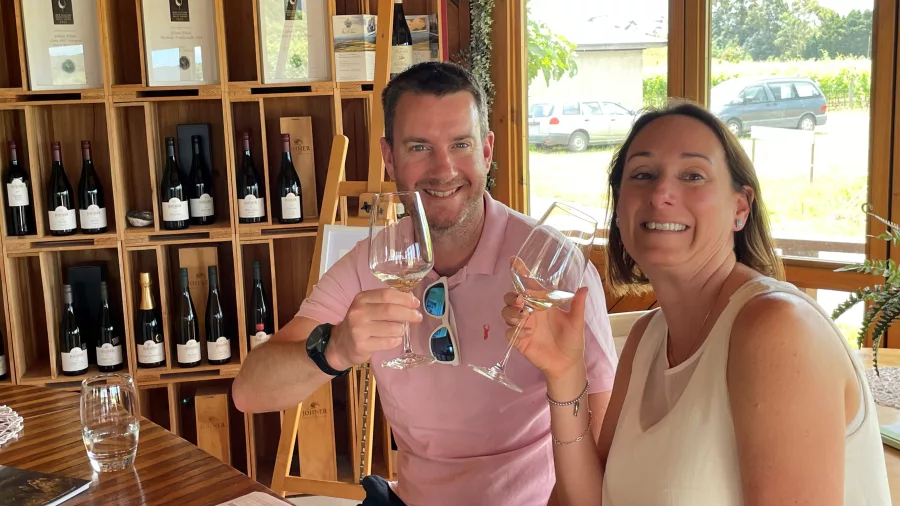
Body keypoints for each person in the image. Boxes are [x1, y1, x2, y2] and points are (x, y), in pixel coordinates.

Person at [232, 61, 619, 506]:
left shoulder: (553, 268)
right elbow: (249, 392)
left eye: (461, 144)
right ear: (389, 157)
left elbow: (606, 441)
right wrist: (334, 349)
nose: (444, 168)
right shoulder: (372, 264)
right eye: (419, 147)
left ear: (487, 151)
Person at [500, 101, 891, 505]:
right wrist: (565, 373)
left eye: (693, 175)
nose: (661, 193)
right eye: (643, 174)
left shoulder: (778, 327)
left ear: (740, 208)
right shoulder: (647, 337)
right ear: (619, 209)